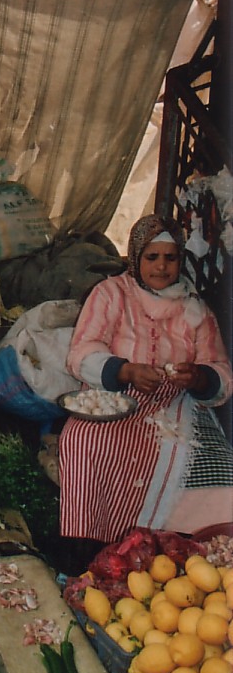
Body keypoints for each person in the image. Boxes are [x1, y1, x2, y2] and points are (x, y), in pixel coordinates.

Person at [59, 213, 233, 558]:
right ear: (136, 258)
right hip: (114, 401)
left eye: (170, 258)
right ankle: (88, 550)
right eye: (152, 257)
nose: (161, 267)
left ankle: (175, 554)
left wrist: (199, 377)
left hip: (178, 408)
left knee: (222, 470)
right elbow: (81, 353)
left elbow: (222, 373)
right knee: (81, 439)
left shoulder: (195, 309)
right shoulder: (110, 294)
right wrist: (125, 372)